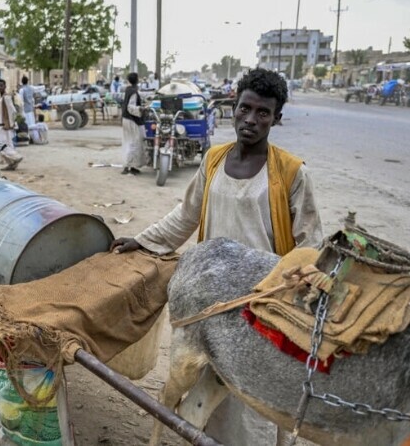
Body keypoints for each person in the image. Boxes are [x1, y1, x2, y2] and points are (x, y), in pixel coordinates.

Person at [111, 68, 323, 446]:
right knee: (204, 387)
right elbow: (185, 216)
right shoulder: (213, 160)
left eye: (263, 113)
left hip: (260, 304)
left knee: (251, 403)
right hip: (210, 298)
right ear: (233, 108)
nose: (251, 120)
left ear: (277, 118)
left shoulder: (291, 173)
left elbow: (310, 245)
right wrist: (142, 241)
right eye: (245, 108)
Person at [0, 79, 23, 170]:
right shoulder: (1, 97)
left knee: (1, 145)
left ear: (5, 86)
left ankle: (16, 157)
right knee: (7, 145)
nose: (0, 87)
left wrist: (10, 124)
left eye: (1, 85)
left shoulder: (6, 97)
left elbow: (12, 111)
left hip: (4, 126)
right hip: (1, 124)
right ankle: (11, 164)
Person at [121, 72, 146, 175]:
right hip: (132, 120)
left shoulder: (128, 90)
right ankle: (129, 166)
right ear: (137, 80)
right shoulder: (134, 92)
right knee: (135, 143)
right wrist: (141, 109)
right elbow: (131, 108)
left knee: (129, 143)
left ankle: (130, 166)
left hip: (125, 119)